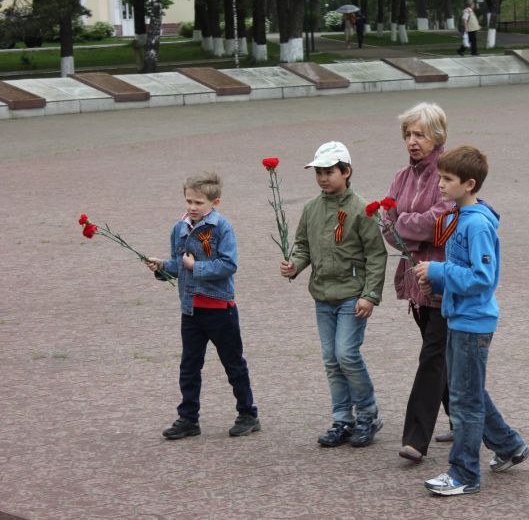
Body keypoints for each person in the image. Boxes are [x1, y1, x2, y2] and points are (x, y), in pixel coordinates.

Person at [413, 145, 529, 496]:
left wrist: (438, 271)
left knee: (464, 401)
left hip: (472, 322)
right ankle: (509, 445)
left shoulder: (476, 224)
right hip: (460, 317)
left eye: (448, 179)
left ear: (469, 184)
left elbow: (482, 277)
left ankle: (464, 473)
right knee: (468, 391)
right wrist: (437, 280)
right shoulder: (460, 217)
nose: (440, 184)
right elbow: (462, 271)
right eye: (440, 177)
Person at [280, 141, 388, 448]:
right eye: (319, 173)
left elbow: (376, 255)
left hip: (352, 295)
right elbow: (303, 245)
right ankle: (342, 419)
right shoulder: (311, 208)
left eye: (329, 172)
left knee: (346, 355)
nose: (323, 178)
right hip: (323, 296)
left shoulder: (361, 209)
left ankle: (367, 414)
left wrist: (370, 295)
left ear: (346, 172)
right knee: (331, 359)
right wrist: (295, 265)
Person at [146, 172, 260, 440]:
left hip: (220, 309)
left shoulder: (222, 228)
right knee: (189, 366)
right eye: (189, 201)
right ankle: (188, 418)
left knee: (233, 364)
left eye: (198, 203)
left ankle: (248, 414)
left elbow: (228, 264)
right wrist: (162, 267)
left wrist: (194, 266)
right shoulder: (179, 228)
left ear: (214, 203)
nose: (192, 207)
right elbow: (179, 265)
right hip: (191, 310)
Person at [384, 103, 453, 464]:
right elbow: (386, 227)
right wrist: (409, 228)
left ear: (437, 137)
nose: (412, 141)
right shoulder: (400, 177)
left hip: (443, 281)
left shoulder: (448, 174)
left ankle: (415, 438)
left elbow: (439, 224)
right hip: (414, 280)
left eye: (420, 135)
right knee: (442, 358)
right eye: (408, 134)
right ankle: (464, 418)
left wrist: (404, 225)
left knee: (432, 358)